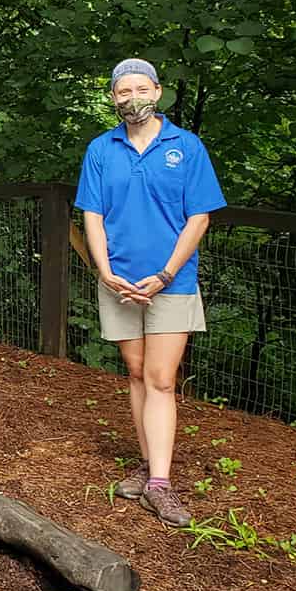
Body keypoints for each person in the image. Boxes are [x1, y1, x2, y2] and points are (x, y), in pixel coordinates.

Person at [76, 58, 224, 528]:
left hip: (171, 282)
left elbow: (198, 217)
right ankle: (148, 463)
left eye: (140, 89)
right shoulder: (102, 149)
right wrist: (104, 271)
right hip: (119, 281)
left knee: (161, 377)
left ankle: (160, 483)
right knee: (137, 373)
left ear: (157, 92)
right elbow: (93, 215)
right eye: (123, 92)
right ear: (114, 98)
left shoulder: (188, 147)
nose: (132, 98)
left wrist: (164, 274)